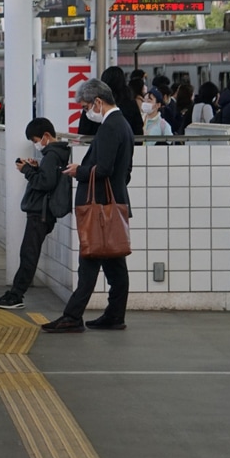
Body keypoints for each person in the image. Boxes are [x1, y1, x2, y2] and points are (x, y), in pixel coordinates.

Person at [42, 79, 133, 333]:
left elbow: (103, 168)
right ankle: (115, 315)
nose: (85, 112)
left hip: (100, 208)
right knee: (115, 265)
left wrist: (78, 171)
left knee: (89, 262)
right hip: (112, 203)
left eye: (85, 107)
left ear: (98, 102)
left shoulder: (110, 127)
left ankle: (72, 316)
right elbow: (125, 171)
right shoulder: (122, 125)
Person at [0, 117, 71, 309]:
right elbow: (47, 177)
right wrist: (36, 168)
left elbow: (45, 183)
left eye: (35, 140)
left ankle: (16, 295)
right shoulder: (55, 154)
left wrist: (27, 170)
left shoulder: (52, 155)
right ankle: (14, 294)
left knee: (29, 254)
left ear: (46, 136)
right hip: (42, 211)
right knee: (28, 253)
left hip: (40, 212)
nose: (35, 144)